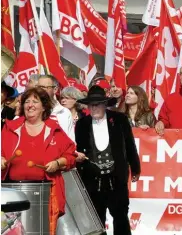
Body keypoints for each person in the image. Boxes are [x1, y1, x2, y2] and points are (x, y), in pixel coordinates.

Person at [1, 87, 76, 235]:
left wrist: (57, 163)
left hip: (46, 194)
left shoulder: (54, 130)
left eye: (35, 101)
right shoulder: (10, 128)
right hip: (11, 194)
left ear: (44, 107)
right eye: (26, 101)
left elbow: (71, 156)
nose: (30, 105)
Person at [75, 85, 141, 235]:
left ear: (105, 104)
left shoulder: (119, 120)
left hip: (116, 177)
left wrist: (136, 167)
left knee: (120, 216)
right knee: (96, 219)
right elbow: (80, 149)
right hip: (92, 179)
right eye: (91, 105)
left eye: (97, 104)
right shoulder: (81, 124)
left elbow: (130, 145)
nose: (94, 108)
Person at [38, 75, 75, 141]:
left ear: (55, 90)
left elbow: (71, 141)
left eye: (44, 87)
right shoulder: (29, 110)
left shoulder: (64, 112)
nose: (40, 90)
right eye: (38, 87)